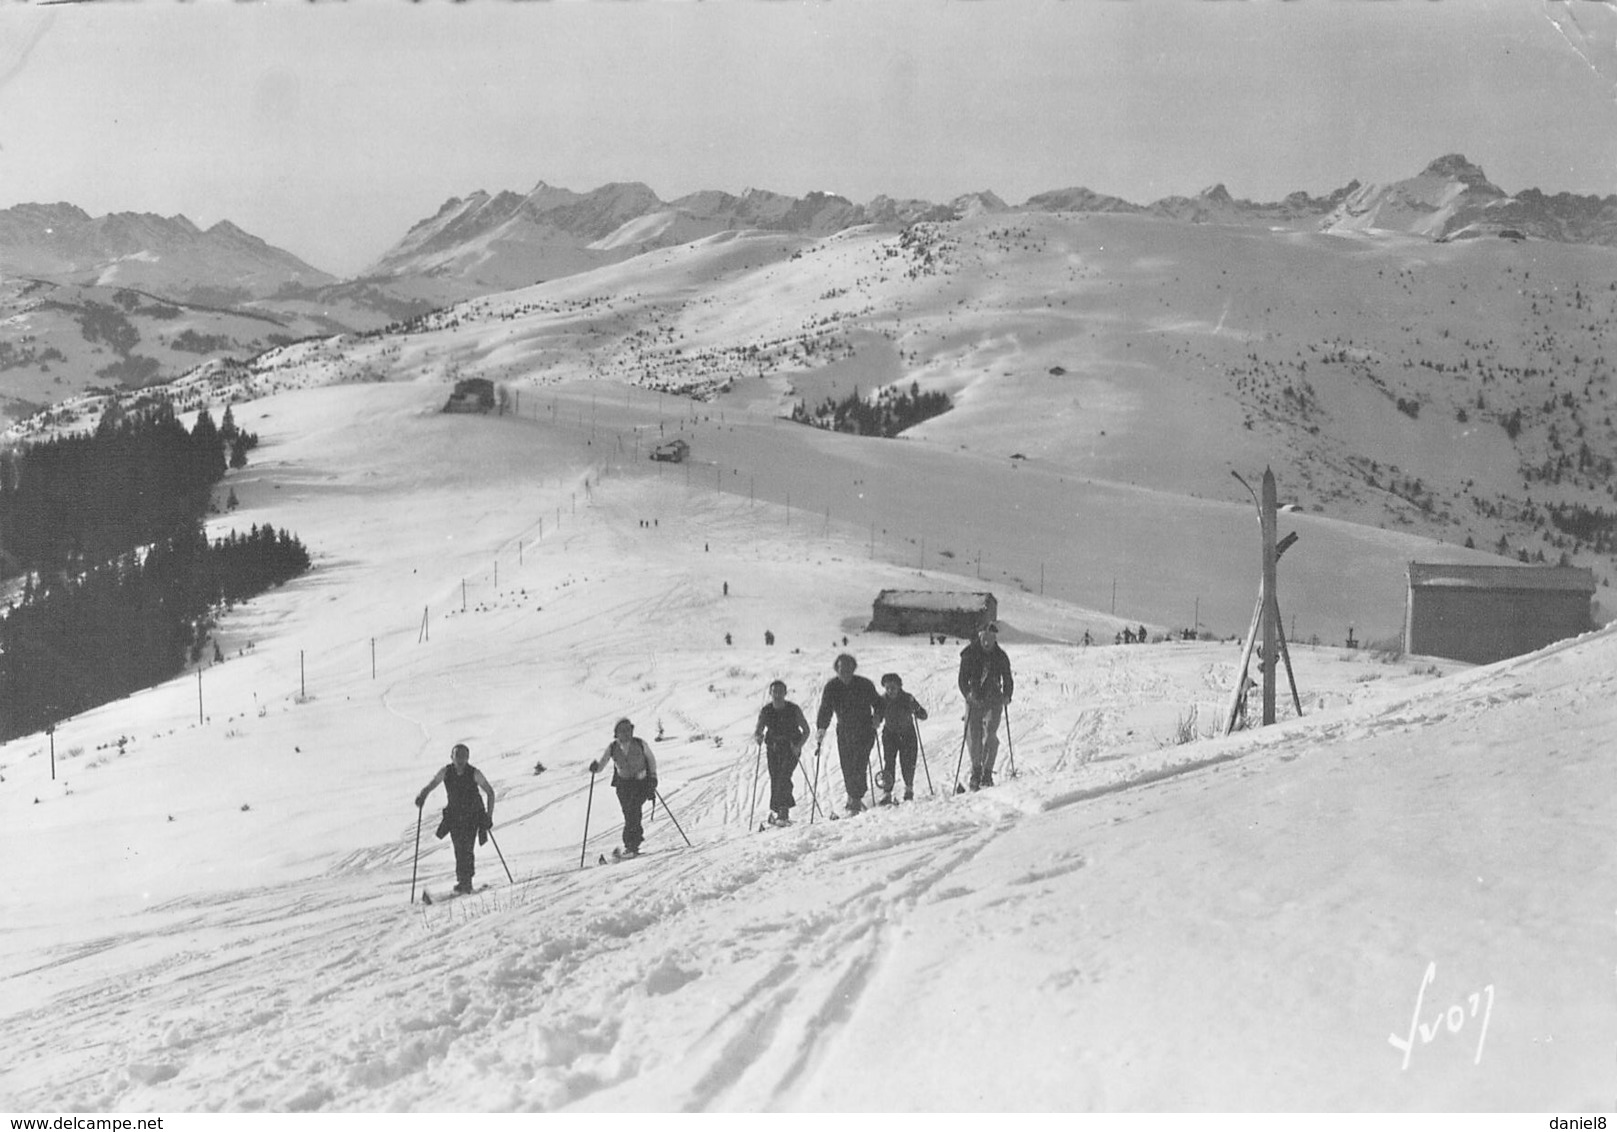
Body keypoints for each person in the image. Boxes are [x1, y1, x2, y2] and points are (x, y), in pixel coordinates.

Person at [415, 742, 496, 894]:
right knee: (459, 848)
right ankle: (463, 881)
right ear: (451, 757)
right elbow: (432, 784)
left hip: (472, 816)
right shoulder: (446, 772)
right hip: (455, 817)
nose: (460, 760)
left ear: (468, 758)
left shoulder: (474, 773)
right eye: (457, 756)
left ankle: (466, 882)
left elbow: (490, 793)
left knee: (467, 847)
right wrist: (423, 795)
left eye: (463, 756)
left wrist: (488, 817)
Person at [814, 652, 883, 814]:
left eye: (848, 668)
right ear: (836, 670)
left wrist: (877, 717)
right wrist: (821, 728)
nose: (844, 672)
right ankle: (853, 796)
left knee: (859, 763)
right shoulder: (832, 687)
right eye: (841, 669)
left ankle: (856, 799)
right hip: (844, 730)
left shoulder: (864, 684)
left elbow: (879, 703)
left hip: (865, 728)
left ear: (853, 668)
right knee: (847, 765)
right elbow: (826, 709)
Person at [590, 718, 659, 857]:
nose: (627, 733)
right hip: (623, 785)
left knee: (633, 811)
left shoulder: (640, 744)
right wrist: (595, 768)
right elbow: (602, 764)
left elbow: (651, 760)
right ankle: (632, 845)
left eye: (629, 730)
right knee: (629, 813)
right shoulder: (613, 747)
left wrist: (653, 778)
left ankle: (631, 845)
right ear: (616, 733)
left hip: (641, 783)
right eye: (623, 731)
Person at [958, 622, 1013, 790]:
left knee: (990, 734)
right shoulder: (969, 654)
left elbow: (1008, 678)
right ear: (980, 636)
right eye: (984, 637)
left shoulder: (1000, 656)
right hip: (974, 698)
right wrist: (968, 694)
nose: (987, 641)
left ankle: (987, 771)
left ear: (995, 638)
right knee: (973, 735)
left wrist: (1007, 695)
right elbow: (962, 680)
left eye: (990, 637)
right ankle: (976, 769)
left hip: (994, 698)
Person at [753, 680, 811, 824]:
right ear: (770, 693)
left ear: (785, 693)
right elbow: (758, 730)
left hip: (791, 747)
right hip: (773, 748)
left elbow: (806, 730)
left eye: (780, 692)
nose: (777, 695)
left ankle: (783, 811)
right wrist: (758, 737)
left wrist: (799, 746)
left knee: (784, 776)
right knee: (775, 777)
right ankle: (778, 810)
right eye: (775, 692)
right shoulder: (766, 711)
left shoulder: (794, 709)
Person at [877, 673, 928, 804]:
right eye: (887, 688)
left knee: (908, 762)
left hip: (907, 734)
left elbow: (923, 715)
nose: (890, 691)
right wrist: (874, 721)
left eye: (893, 687)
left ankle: (909, 789)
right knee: (889, 763)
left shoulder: (907, 698)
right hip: (890, 735)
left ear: (899, 686)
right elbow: (877, 718)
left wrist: (916, 708)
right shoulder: (882, 700)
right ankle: (887, 793)